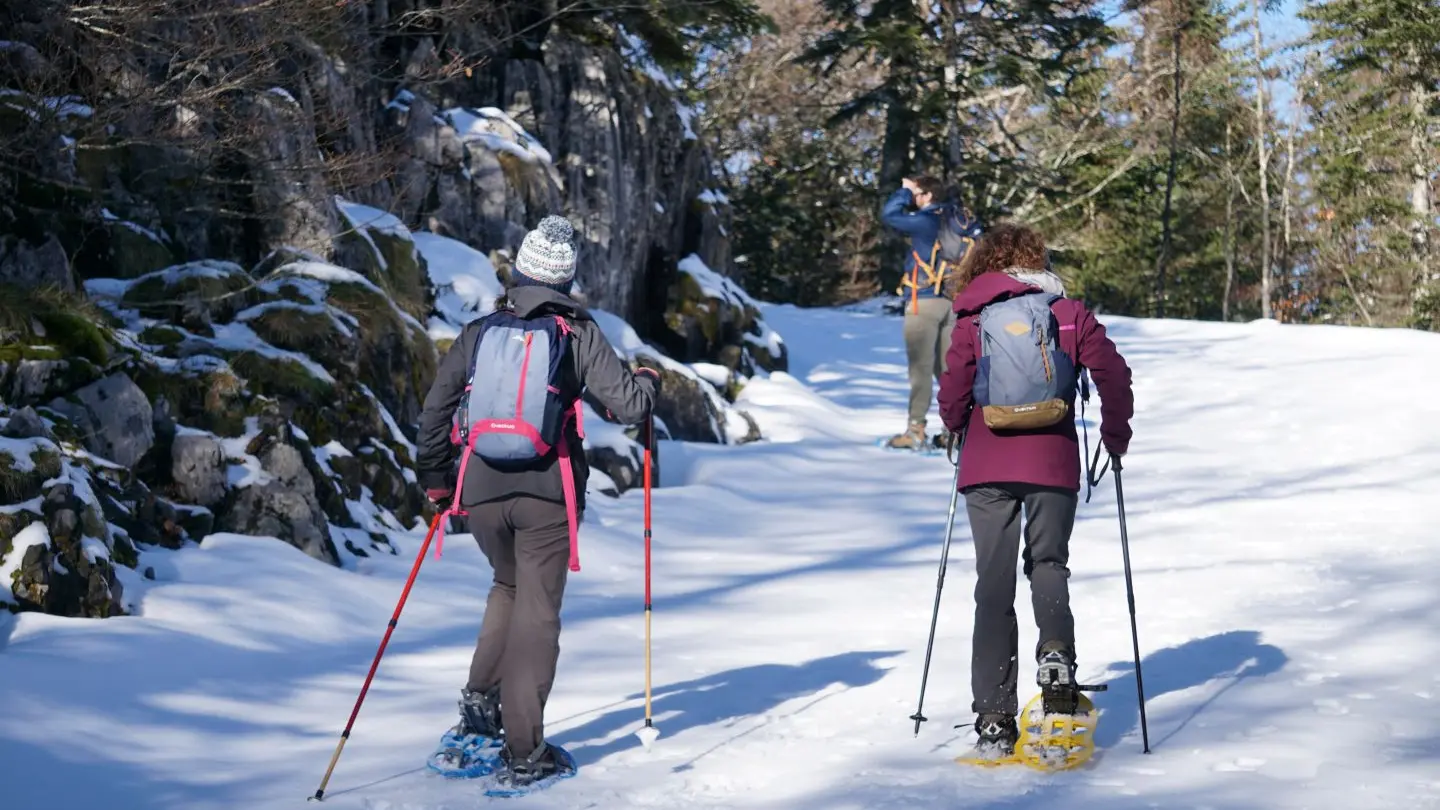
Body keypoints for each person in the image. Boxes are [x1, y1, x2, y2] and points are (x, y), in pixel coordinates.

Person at [414, 215, 660, 788]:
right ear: (566, 278)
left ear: (521, 270)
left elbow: (435, 411)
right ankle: (524, 752)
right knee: (537, 613)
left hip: (480, 491)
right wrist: (649, 376)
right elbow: (628, 407)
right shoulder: (576, 333)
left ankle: (479, 714)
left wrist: (436, 481)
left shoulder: (479, 331)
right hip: (547, 496)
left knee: (507, 587)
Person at [935, 223, 1133, 760]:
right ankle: (1057, 664)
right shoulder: (1068, 313)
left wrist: (956, 427)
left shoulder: (974, 317)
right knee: (1048, 563)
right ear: (1037, 259)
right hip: (1052, 460)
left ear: (985, 264)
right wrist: (1115, 436)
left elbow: (953, 389)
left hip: (986, 463)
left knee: (992, 585)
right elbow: (1113, 375)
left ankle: (995, 718)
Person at [881, 175, 981, 450]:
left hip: (923, 300)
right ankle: (955, 431)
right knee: (950, 370)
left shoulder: (925, 220)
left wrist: (903, 191)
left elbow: (889, 215)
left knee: (920, 369)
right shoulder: (960, 219)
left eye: (916, 194)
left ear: (926, 195)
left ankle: (916, 431)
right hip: (956, 302)